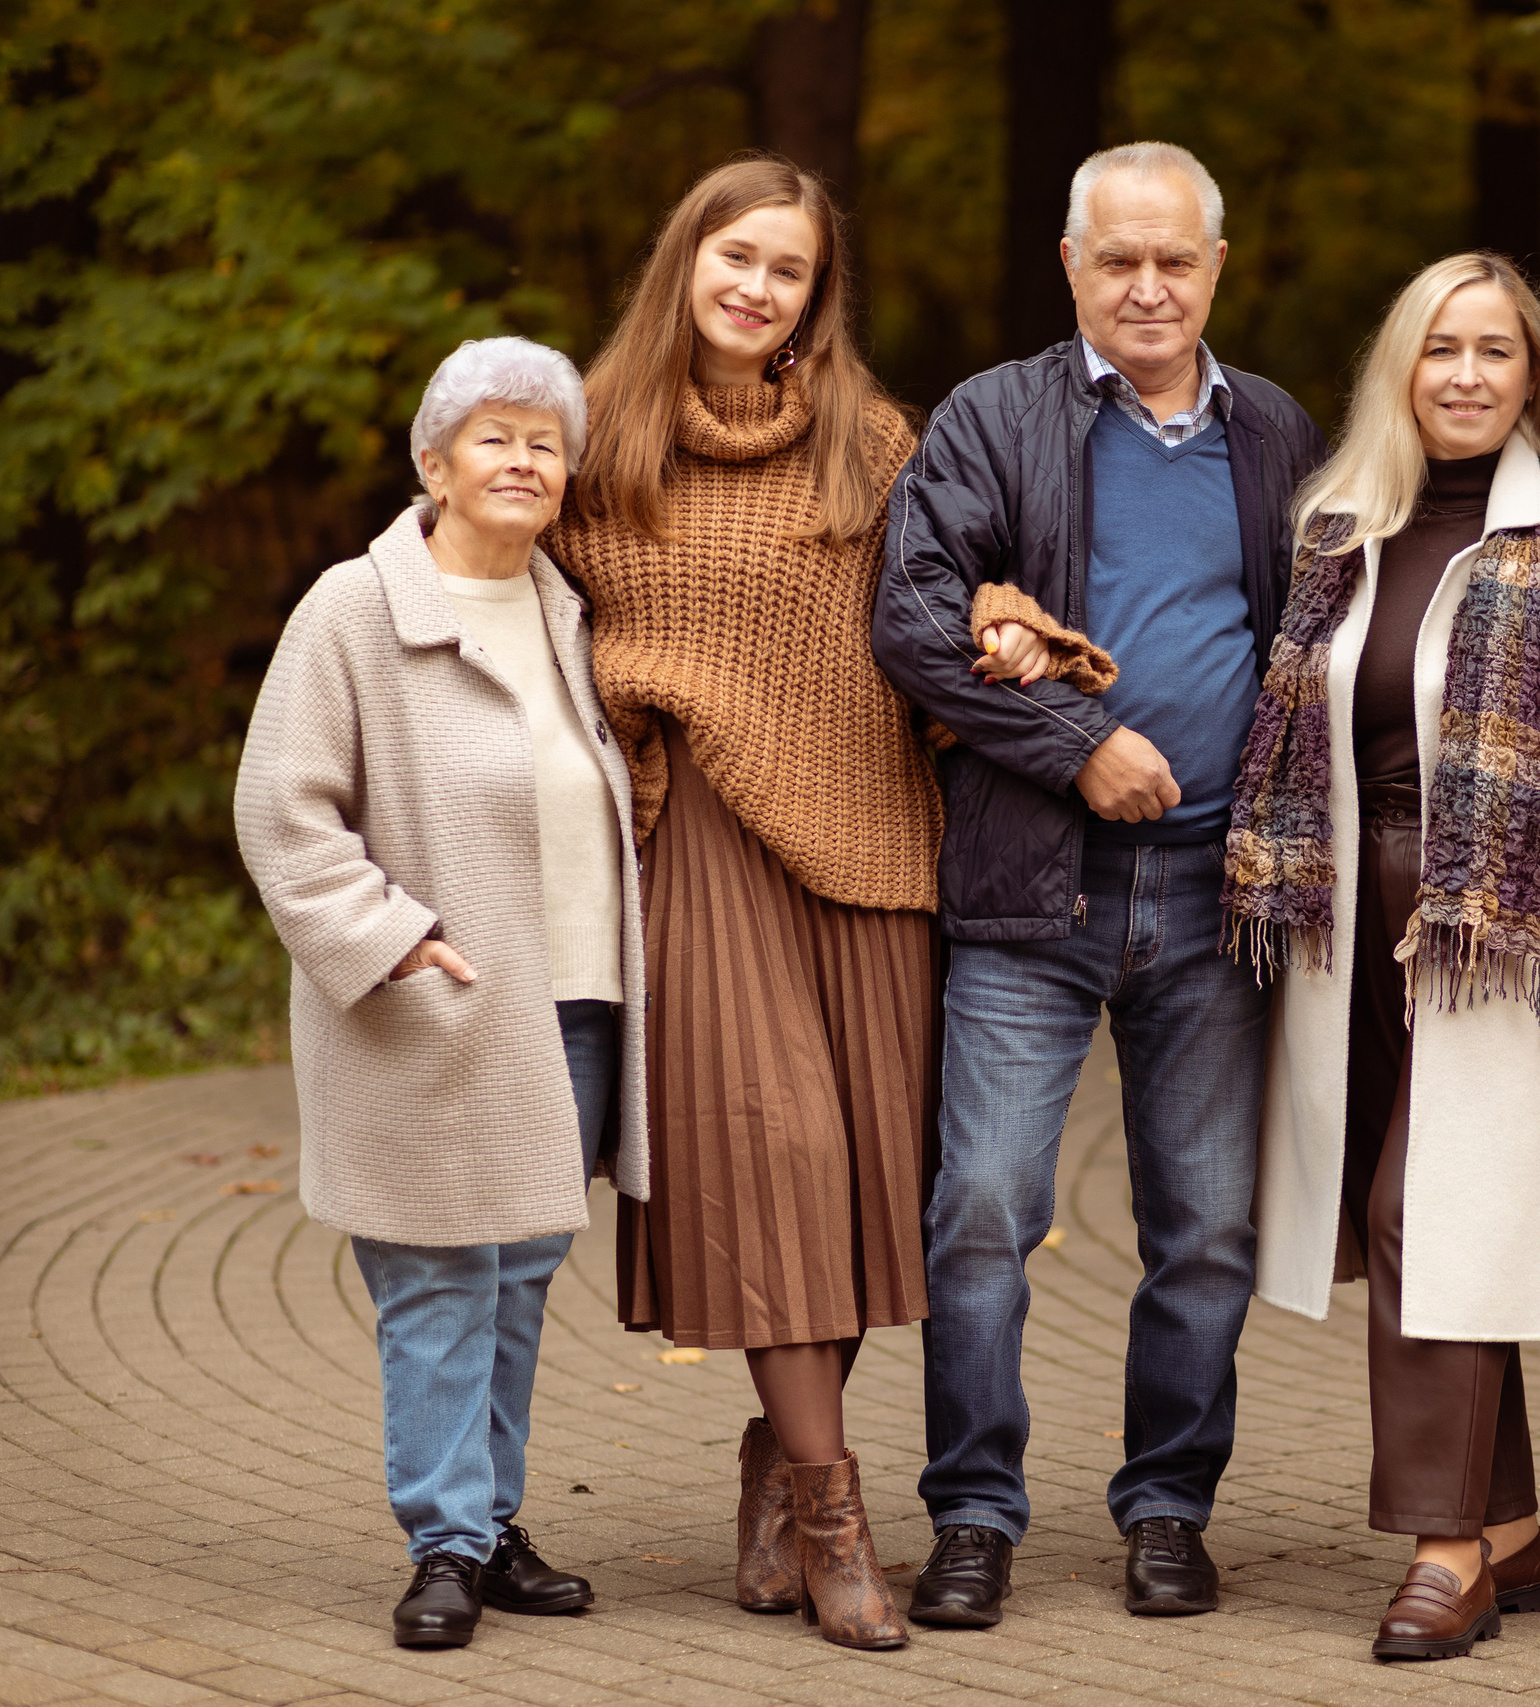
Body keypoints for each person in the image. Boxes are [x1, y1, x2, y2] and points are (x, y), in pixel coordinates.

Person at [872, 141, 1325, 1629]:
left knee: (1203, 1229)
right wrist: (1078, 744)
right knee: (986, 1210)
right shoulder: (993, 419)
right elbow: (916, 620)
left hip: (1214, 898)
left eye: (1174, 260)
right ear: (1071, 266)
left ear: (1214, 268)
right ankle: (975, 1515)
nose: (1147, 286)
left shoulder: (1274, 433)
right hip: (1033, 890)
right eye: (1117, 259)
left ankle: (1171, 1505)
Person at [1227, 252, 1540, 1661]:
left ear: (1533, 378)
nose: (1469, 375)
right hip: (1348, 927)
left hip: (1495, 926)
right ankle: (1516, 1529)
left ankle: (1444, 1555)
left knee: (1427, 1214)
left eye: (1497, 351)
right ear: (1401, 369)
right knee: (1423, 1214)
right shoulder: (1336, 524)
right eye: (1443, 349)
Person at [543, 155, 935, 1652]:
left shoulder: (873, 441)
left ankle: (776, 1461)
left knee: (851, 1184)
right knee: (772, 1159)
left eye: (790, 270)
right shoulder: (597, 439)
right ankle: (838, 1517)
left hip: (879, 840)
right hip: (703, 834)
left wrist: (1008, 632)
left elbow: (938, 598)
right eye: (736, 256)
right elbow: (484, 558)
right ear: (685, 262)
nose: (757, 287)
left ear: (814, 301)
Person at [234, 337, 646, 1651]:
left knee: (520, 1271)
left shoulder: (575, 611)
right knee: (436, 1282)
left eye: (547, 442)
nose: (525, 460)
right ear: (435, 462)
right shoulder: (356, 610)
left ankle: (493, 1519)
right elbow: (283, 817)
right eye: (495, 437)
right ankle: (444, 1539)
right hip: (433, 1005)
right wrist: (393, 937)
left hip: (574, 1002)